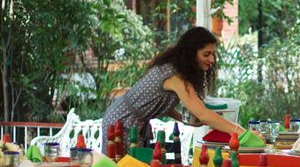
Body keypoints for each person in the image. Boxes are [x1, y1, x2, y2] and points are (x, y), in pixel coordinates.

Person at [101, 27, 245, 153]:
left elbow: (157, 102)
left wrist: (183, 120)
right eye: (206, 54)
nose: (212, 60)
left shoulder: (174, 69)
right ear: (190, 53)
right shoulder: (175, 77)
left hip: (125, 118)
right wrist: (242, 133)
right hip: (121, 122)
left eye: (213, 54)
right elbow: (203, 114)